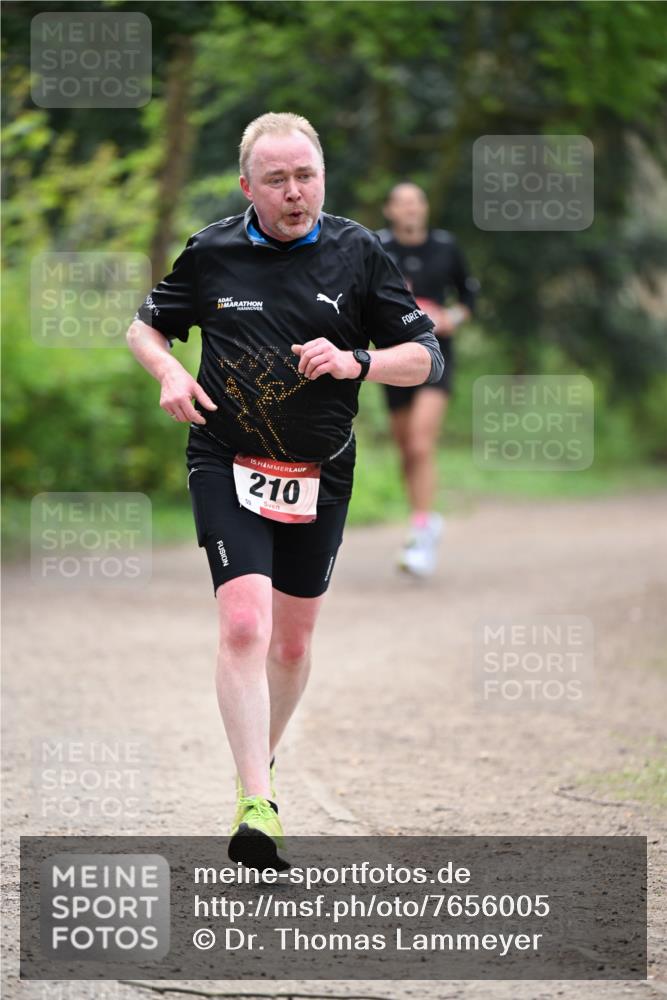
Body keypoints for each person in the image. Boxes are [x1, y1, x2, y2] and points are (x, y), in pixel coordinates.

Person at [126, 113, 444, 868]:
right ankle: (257, 801)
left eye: (306, 176)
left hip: (321, 470)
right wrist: (170, 370)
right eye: (276, 179)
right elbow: (145, 328)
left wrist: (355, 361)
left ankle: (253, 781)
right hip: (224, 457)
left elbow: (423, 356)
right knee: (244, 623)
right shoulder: (211, 252)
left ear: (321, 178)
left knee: (293, 643)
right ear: (247, 186)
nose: (294, 192)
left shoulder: (357, 251)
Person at [378, 182, 478, 578]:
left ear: (425, 208)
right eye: (402, 203)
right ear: (390, 210)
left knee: (421, 442)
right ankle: (424, 520)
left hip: (436, 358)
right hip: (392, 360)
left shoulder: (446, 247)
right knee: (406, 451)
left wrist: (450, 319)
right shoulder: (376, 247)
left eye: (417, 202)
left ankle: (421, 530)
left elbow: (469, 299)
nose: (411, 210)